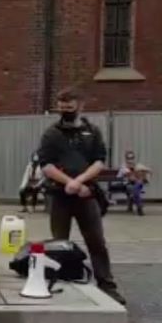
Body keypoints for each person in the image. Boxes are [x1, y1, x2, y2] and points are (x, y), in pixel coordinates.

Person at [37, 88, 125, 305]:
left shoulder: (92, 131)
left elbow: (99, 161)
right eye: (62, 104)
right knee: (59, 243)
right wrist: (69, 183)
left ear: (80, 105)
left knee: (96, 242)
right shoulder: (51, 134)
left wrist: (80, 182)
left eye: (70, 104)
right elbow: (46, 165)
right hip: (60, 195)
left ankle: (106, 285)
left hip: (87, 195)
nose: (65, 108)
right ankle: (62, 284)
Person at [117, 150, 151, 215]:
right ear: (126, 158)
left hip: (137, 183)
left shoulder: (137, 164)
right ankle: (139, 206)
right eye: (129, 158)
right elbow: (127, 175)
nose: (130, 160)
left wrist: (142, 171)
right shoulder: (123, 166)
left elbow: (149, 170)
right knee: (134, 188)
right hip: (127, 184)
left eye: (132, 158)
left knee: (136, 187)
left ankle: (138, 205)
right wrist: (137, 172)